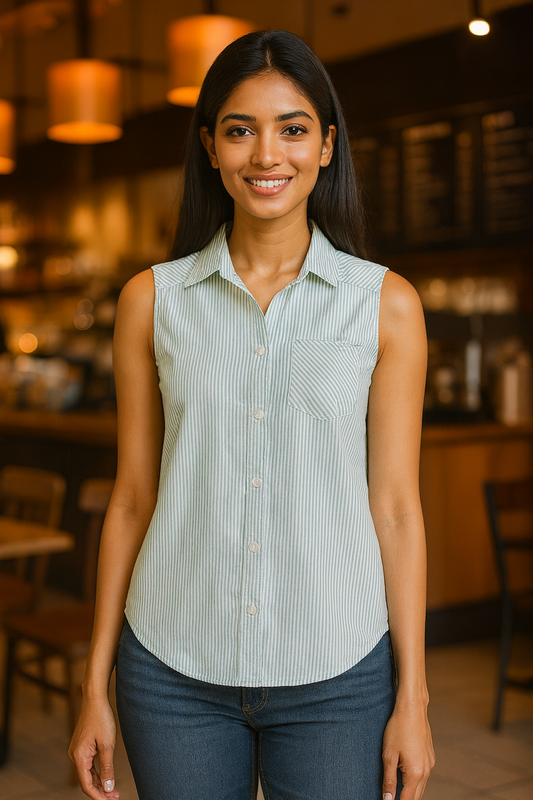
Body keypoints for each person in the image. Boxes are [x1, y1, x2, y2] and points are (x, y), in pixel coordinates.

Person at [69, 29, 435, 800]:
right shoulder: (152, 300)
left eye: (292, 128)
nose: (267, 154)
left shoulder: (386, 306)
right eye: (240, 130)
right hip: (171, 666)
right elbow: (132, 497)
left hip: (337, 670)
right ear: (210, 147)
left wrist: (414, 696)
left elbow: (397, 509)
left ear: (326, 146)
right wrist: (94, 681)